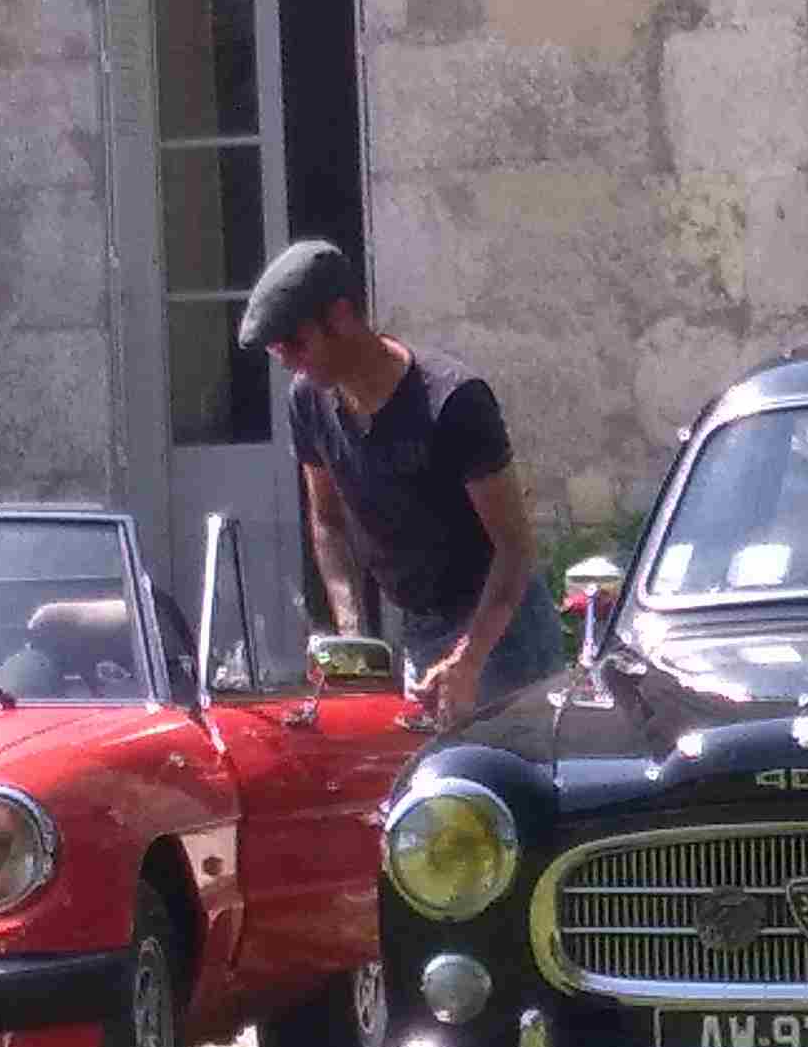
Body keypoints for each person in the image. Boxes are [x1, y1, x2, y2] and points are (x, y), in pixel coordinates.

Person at [236, 240, 565, 724]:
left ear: (342, 316)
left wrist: (469, 658)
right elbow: (327, 522)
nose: (286, 360)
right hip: (420, 631)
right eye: (276, 350)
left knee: (502, 768)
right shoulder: (307, 401)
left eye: (295, 343)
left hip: (505, 632)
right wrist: (352, 635)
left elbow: (514, 549)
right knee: (428, 770)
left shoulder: (454, 401)